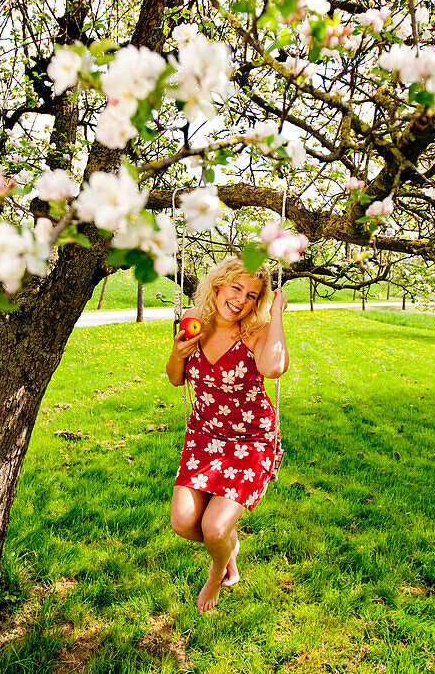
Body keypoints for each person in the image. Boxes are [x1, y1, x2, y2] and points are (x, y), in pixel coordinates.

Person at [165, 254, 289, 612]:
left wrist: (277, 313)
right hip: (204, 440)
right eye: (236, 288)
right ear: (218, 286)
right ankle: (230, 548)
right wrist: (178, 351)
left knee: (215, 529)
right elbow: (176, 377)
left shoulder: (256, 332)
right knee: (184, 523)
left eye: (252, 295)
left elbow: (273, 367)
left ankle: (218, 569)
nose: (241, 300)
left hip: (251, 443)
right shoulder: (196, 324)